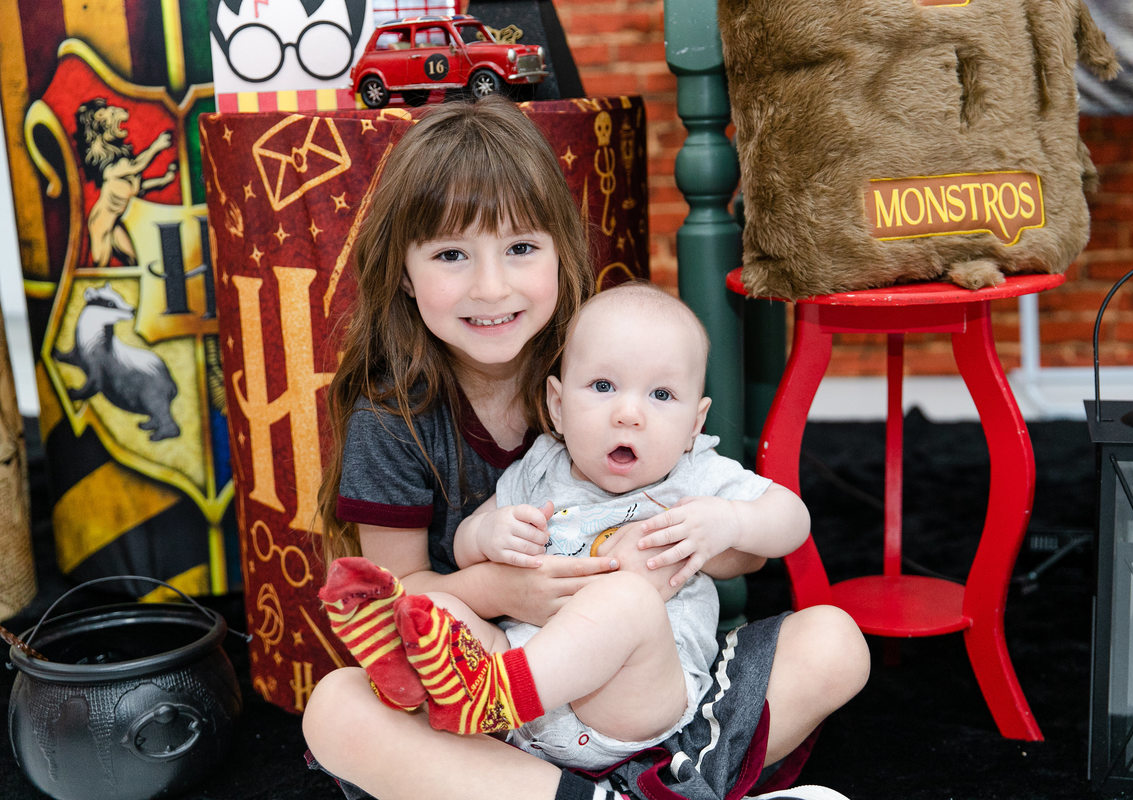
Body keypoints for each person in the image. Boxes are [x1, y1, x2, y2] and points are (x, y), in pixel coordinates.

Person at [301, 95, 870, 800]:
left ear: (560, 252)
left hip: (649, 689)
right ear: (404, 275)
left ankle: (605, 786)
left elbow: (747, 549)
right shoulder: (392, 418)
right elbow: (402, 596)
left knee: (834, 642)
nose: (491, 287)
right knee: (334, 709)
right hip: (494, 706)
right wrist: (504, 588)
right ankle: (633, 791)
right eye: (451, 254)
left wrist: (674, 544)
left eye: (520, 249)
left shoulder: (607, 356)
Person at [320, 283, 813, 772]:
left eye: (661, 395)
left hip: (627, 701)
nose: (628, 414)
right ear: (557, 405)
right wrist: (488, 535)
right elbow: (465, 542)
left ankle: (496, 698)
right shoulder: (541, 467)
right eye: (603, 387)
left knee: (628, 600)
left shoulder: (695, 474)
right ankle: (421, 679)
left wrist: (730, 521)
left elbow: (792, 518)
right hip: (514, 681)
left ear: (694, 425)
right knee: (437, 609)